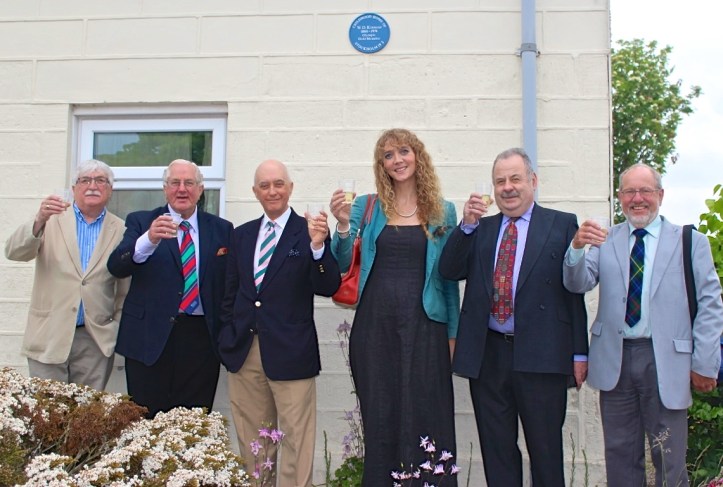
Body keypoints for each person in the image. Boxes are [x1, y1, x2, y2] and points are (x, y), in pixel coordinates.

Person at [563, 163, 723, 487]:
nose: (638, 199)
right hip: (615, 361)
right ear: (620, 197)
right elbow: (577, 282)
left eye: (645, 191)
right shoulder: (604, 239)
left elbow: (710, 303)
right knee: (620, 459)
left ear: (660, 195)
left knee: (670, 457)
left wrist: (705, 362)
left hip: (666, 363)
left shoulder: (690, 241)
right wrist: (577, 247)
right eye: (629, 192)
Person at [438, 147, 588, 487]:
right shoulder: (482, 228)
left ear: (532, 181)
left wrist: (580, 352)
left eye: (515, 179)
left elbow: (573, 293)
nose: (508, 187)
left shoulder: (561, 224)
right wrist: (466, 225)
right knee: (497, 450)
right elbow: (448, 270)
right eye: (500, 181)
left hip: (543, 357)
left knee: (546, 452)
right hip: (489, 356)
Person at [330, 128, 460, 486]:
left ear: (417, 156)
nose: (397, 160)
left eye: (404, 151)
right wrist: (341, 227)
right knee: (381, 417)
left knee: (428, 415)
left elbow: (448, 281)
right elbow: (342, 263)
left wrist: (453, 336)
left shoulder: (443, 210)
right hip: (375, 330)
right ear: (381, 165)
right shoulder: (366, 207)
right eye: (388, 155)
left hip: (426, 329)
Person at [218, 159, 340, 487]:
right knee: (254, 441)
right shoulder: (242, 235)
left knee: (296, 440)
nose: (272, 191)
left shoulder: (310, 229)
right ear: (255, 191)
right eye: (265, 185)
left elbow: (328, 286)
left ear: (290, 188)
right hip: (245, 352)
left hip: (291, 352)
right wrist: (227, 337)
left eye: (278, 184)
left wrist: (317, 247)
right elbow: (231, 295)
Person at [107, 159, 233, 417]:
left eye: (189, 183)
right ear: (165, 188)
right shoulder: (142, 222)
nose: (182, 189)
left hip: (201, 340)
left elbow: (229, 284)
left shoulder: (221, 229)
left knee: (194, 422)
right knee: (146, 421)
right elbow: (117, 266)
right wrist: (149, 240)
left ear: (200, 189)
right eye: (175, 183)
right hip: (149, 338)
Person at [5, 159, 129, 390]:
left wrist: (115, 327)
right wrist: (38, 219)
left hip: (94, 340)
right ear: (74, 189)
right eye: (85, 180)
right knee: (48, 415)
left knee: (86, 417)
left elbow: (124, 289)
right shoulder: (51, 220)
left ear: (110, 189)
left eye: (101, 180)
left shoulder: (122, 230)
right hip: (49, 335)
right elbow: (14, 252)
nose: (93, 186)